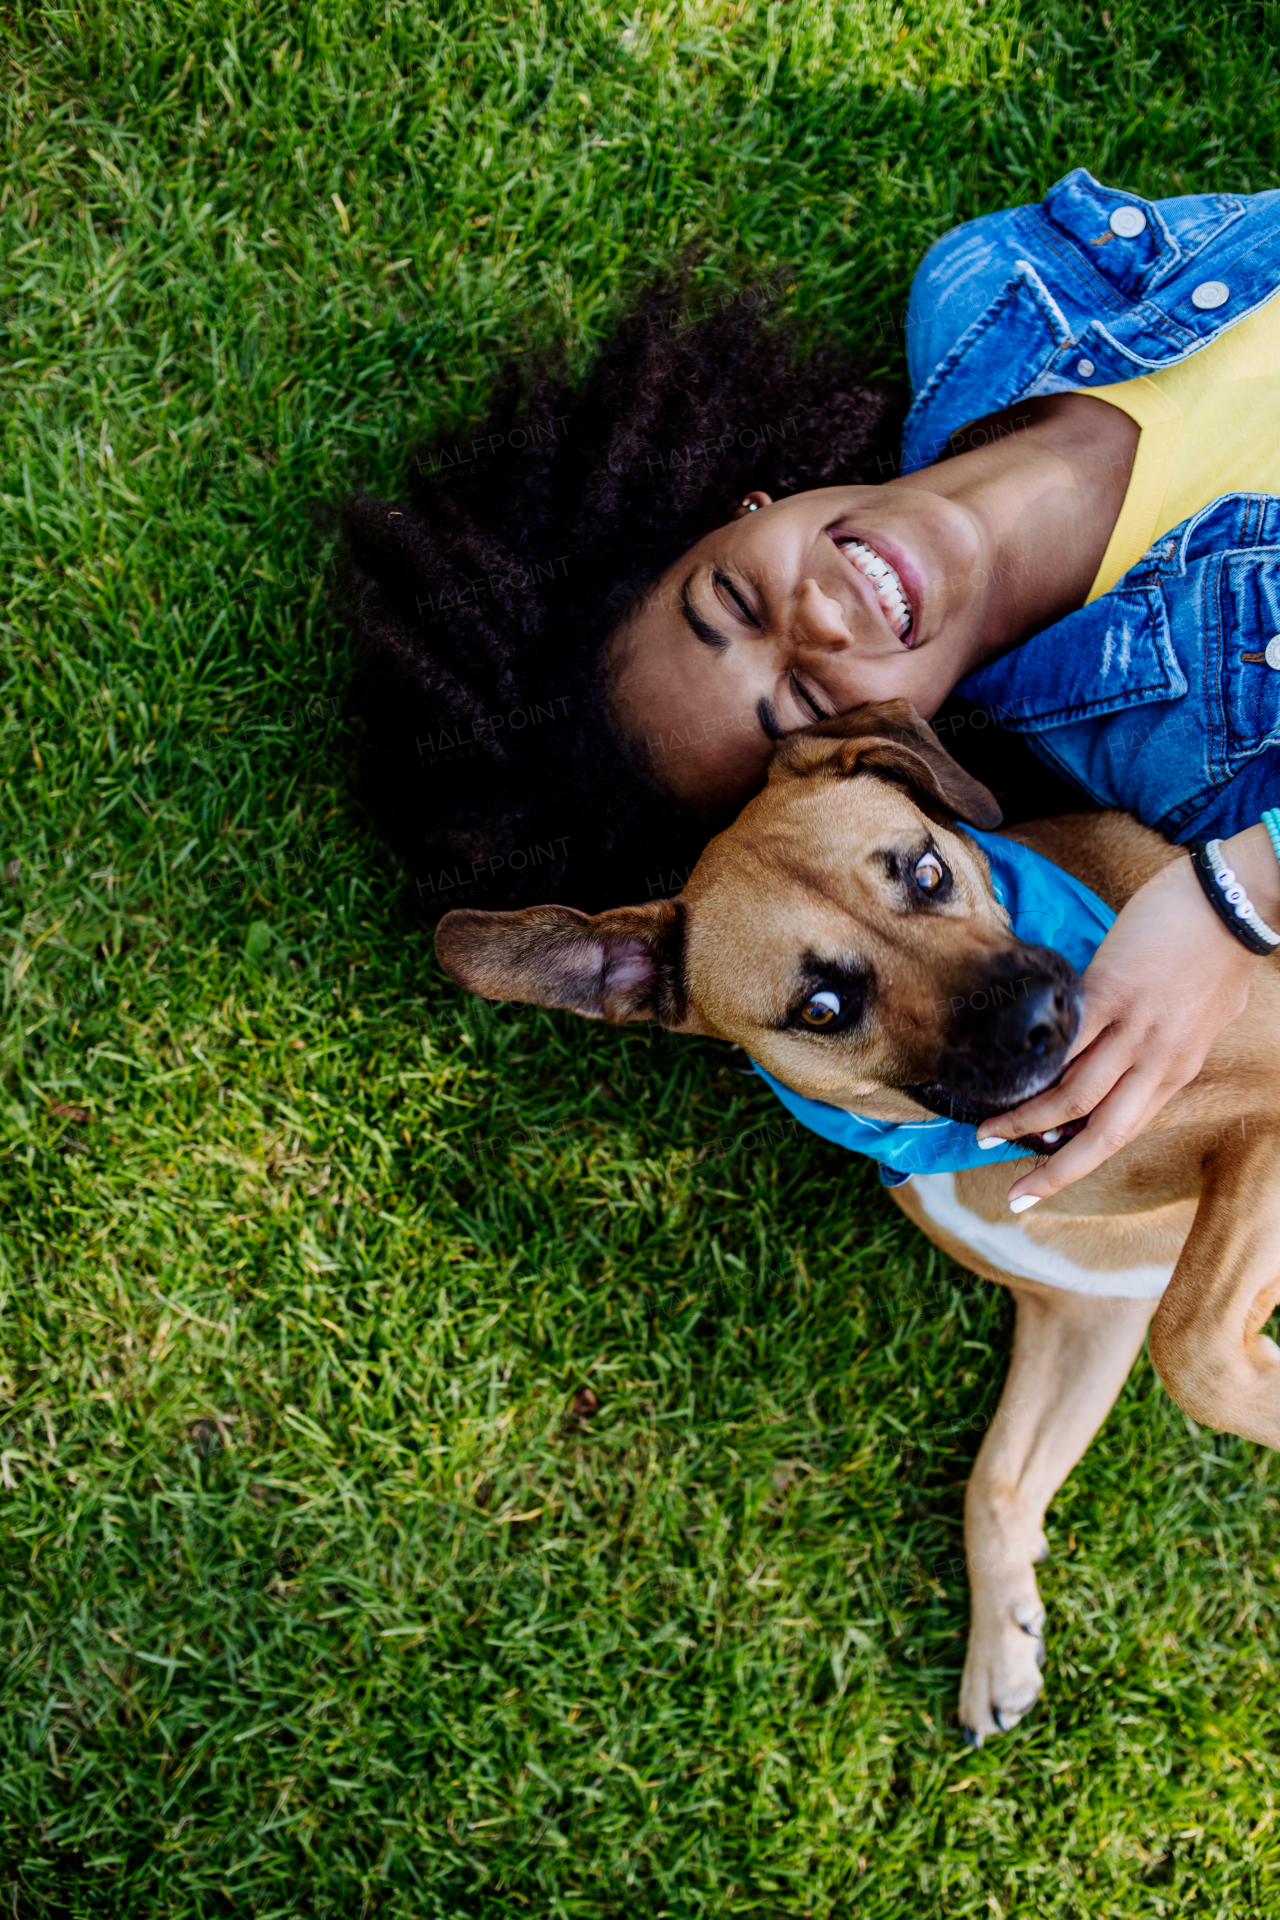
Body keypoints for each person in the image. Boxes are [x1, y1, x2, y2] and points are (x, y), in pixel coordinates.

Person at [345, 169, 1280, 1209]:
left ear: (739, 505)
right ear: (905, 746)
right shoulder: (1187, 760)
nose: (821, 618)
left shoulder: (996, 289)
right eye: (807, 704)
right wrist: (1237, 898)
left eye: (735, 598)